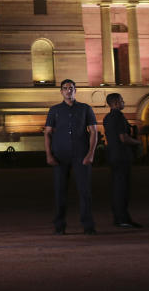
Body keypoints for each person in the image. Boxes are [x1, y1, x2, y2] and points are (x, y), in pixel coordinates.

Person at [44, 78, 98, 235]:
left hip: (81, 155)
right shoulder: (54, 110)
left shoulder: (85, 109)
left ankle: (88, 225)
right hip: (60, 155)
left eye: (71, 88)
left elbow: (94, 132)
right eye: (65, 88)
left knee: (85, 191)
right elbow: (47, 133)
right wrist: (48, 154)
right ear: (61, 91)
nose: (69, 90)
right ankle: (59, 225)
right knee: (60, 191)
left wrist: (91, 154)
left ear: (76, 90)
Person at [102, 92, 143, 228]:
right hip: (122, 156)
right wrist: (137, 142)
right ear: (115, 103)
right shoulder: (119, 116)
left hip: (112, 155)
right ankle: (123, 218)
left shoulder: (107, 118)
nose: (123, 102)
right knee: (122, 189)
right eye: (121, 100)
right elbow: (123, 138)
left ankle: (118, 217)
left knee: (116, 187)